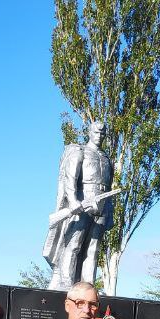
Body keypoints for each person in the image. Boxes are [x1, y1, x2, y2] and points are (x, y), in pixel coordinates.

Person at [42, 121, 114, 290]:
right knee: (73, 245)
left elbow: (108, 185)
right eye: (96, 132)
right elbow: (70, 178)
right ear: (89, 132)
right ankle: (66, 285)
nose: (99, 136)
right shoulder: (79, 152)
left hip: (101, 206)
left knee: (93, 249)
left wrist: (109, 210)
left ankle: (87, 287)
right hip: (83, 204)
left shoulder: (105, 158)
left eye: (102, 133)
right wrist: (73, 200)